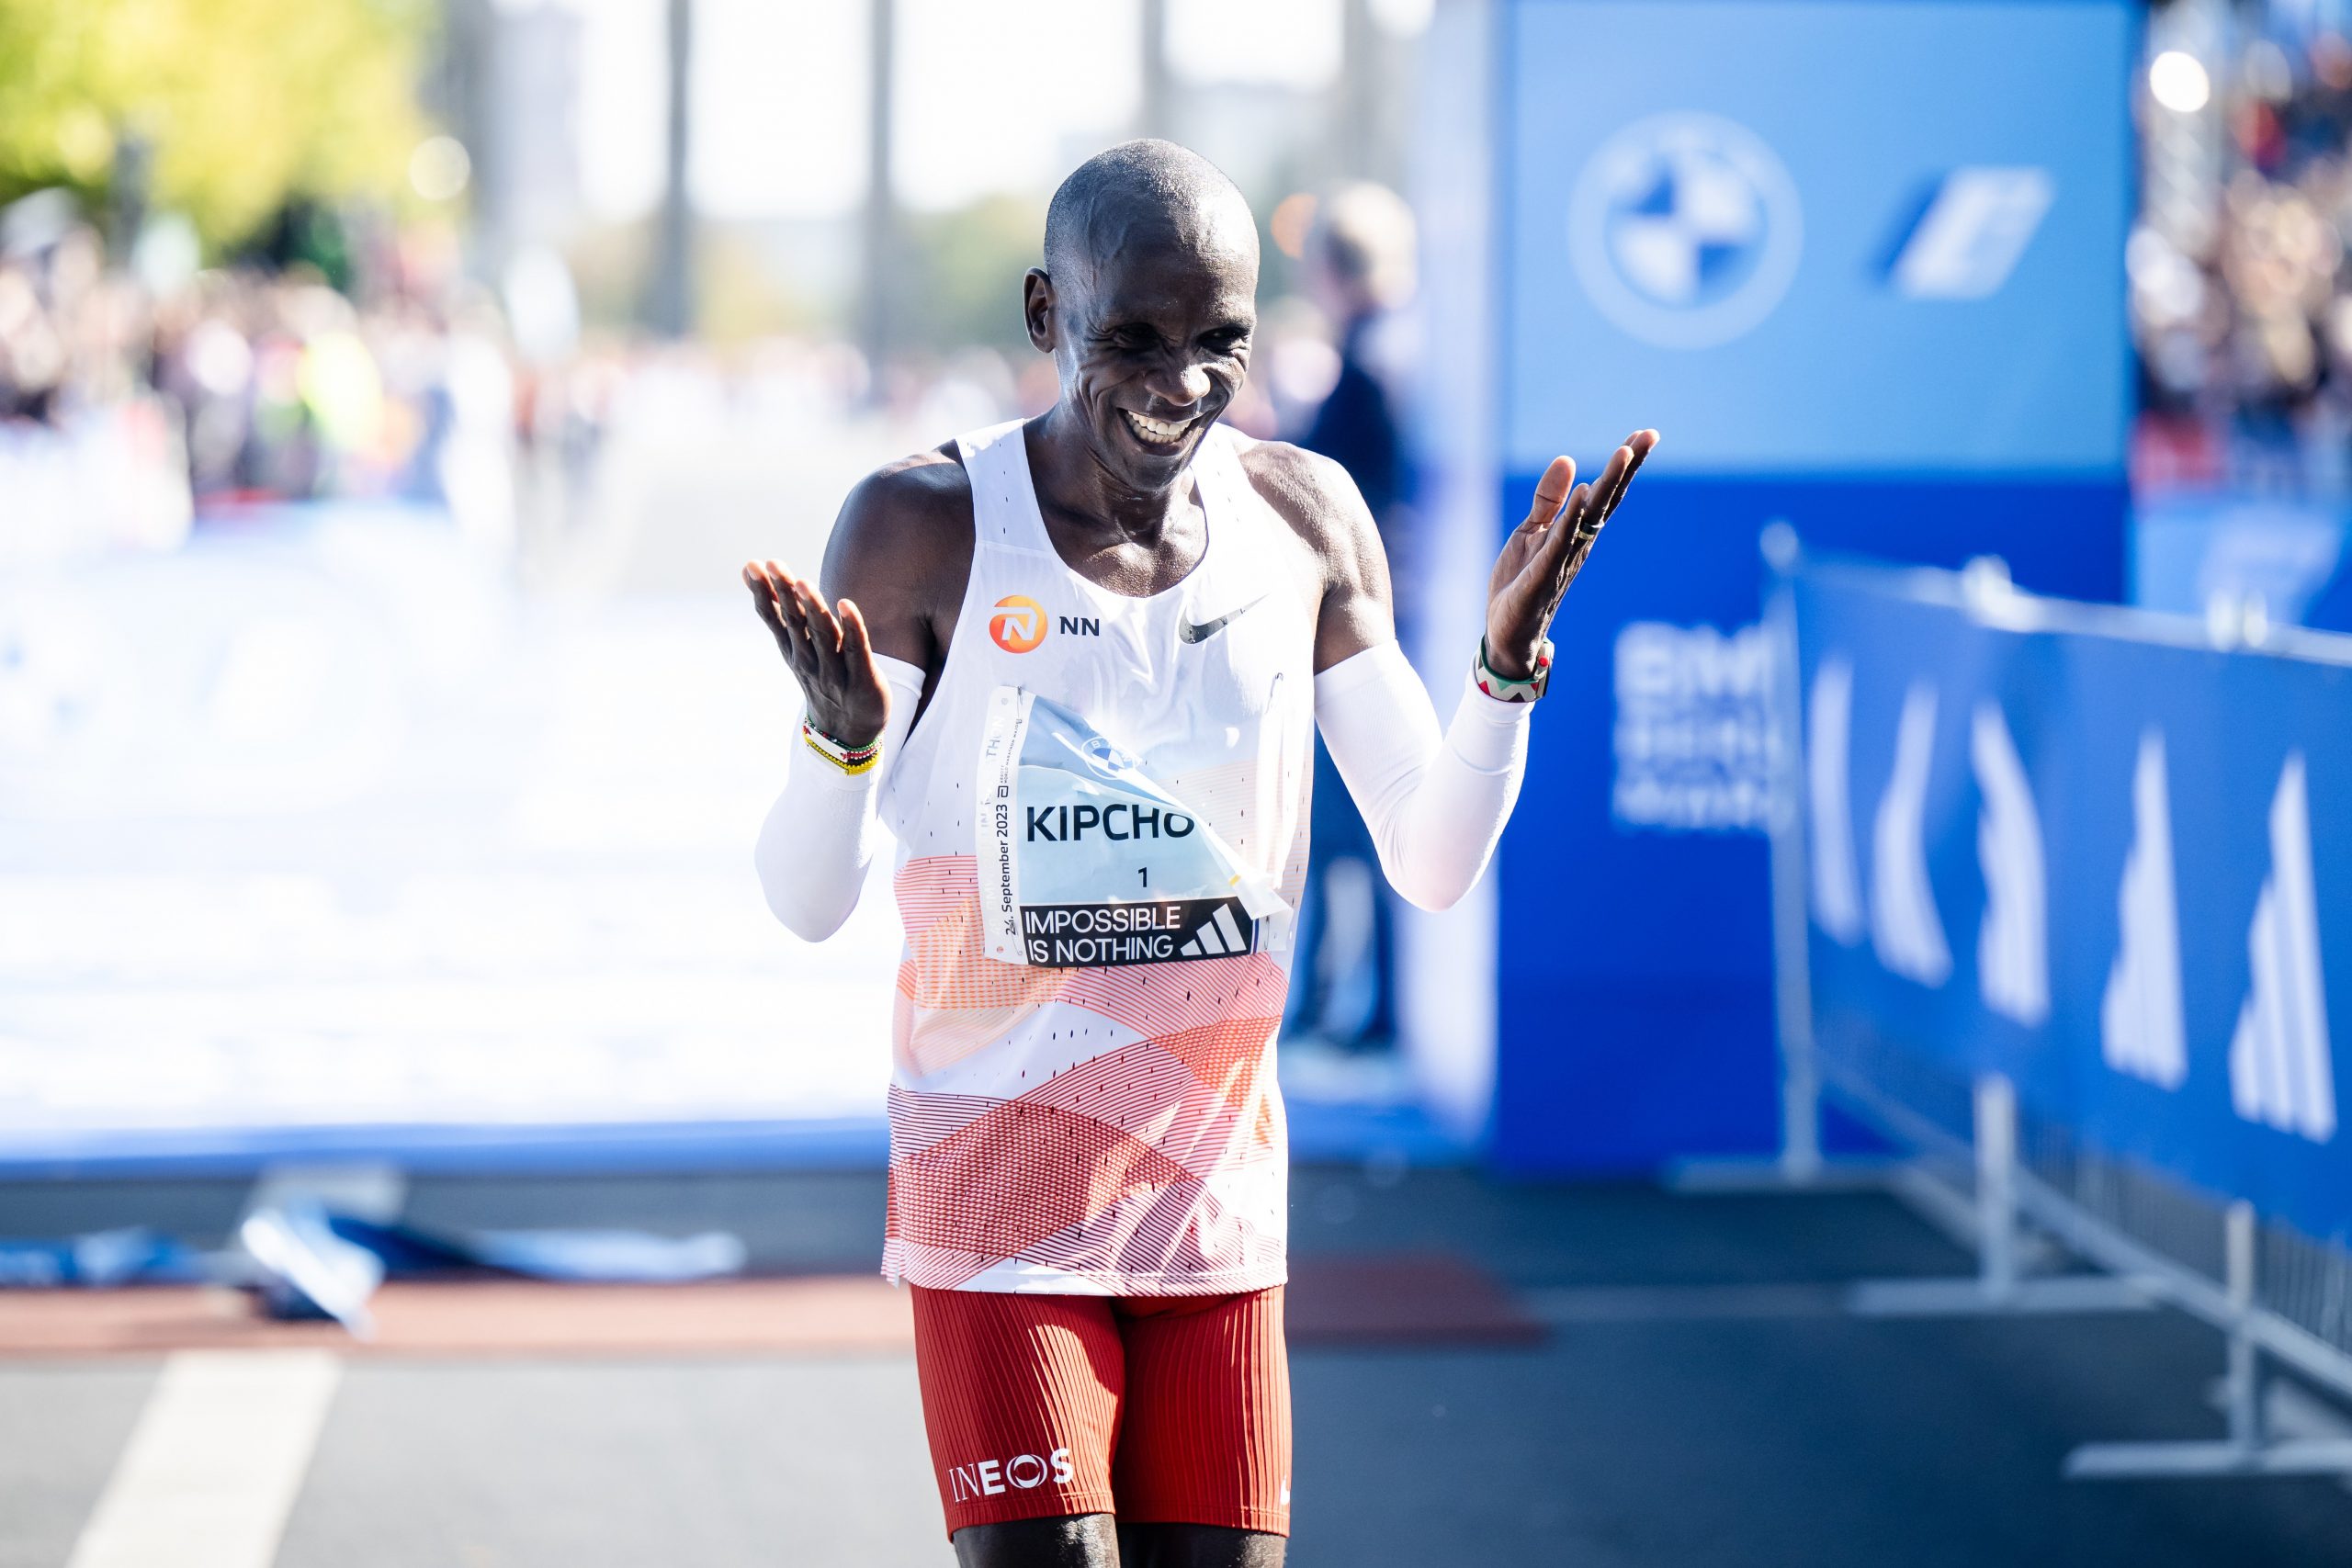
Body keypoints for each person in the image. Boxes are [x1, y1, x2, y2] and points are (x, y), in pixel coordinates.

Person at [745, 140, 1654, 1568]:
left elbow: (1432, 858)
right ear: (1049, 317)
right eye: (1136, 340)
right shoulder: (922, 526)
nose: (1181, 384)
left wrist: (1501, 671)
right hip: (996, 1190)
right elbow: (805, 903)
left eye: (1219, 342)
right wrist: (842, 746)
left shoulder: (1306, 518)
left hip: (1213, 1199)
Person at [1283, 182, 1420, 1064]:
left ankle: (1353, 1005)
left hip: (1354, 635)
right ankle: (1344, 1001)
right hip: (1382, 628)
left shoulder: (1365, 374)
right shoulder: (1390, 359)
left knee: (1347, 826)